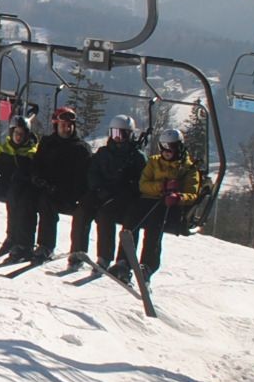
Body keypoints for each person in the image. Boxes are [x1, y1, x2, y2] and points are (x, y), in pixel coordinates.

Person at [7, 106, 89, 263]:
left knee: (47, 203)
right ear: (56, 125)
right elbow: (36, 165)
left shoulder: (80, 149)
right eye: (64, 125)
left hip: (66, 194)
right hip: (45, 187)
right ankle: (24, 244)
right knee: (26, 199)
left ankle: (46, 246)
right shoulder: (47, 143)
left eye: (70, 125)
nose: (67, 128)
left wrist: (63, 189)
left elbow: (81, 179)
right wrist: (37, 178)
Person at [125, 126, 203, 286]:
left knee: (155, 224)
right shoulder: (154, 162)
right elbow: (143, 184)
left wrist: (178, 197)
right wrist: (161, 186)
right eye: (163, 147)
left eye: (170, 148)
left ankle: (147, 266)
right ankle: (123, 263)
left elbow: (192, 194)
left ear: (179, 148)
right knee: (131, 217)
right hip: (149, 200)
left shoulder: (189, 168)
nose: (166, 151)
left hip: (169, 206)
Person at [77, 115, 146, 273]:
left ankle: (113, 259)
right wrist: (99, 189)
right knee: (82, 208)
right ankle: (78, 251)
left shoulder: (136, 157)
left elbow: (140, 181)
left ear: (131, 135)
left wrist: (125, 192)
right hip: (103, 192)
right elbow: (92, 173)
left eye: (123, 135)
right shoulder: (103, 153)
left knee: (107, 214)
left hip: (124, 198)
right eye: (115, 134)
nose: (119, 139)